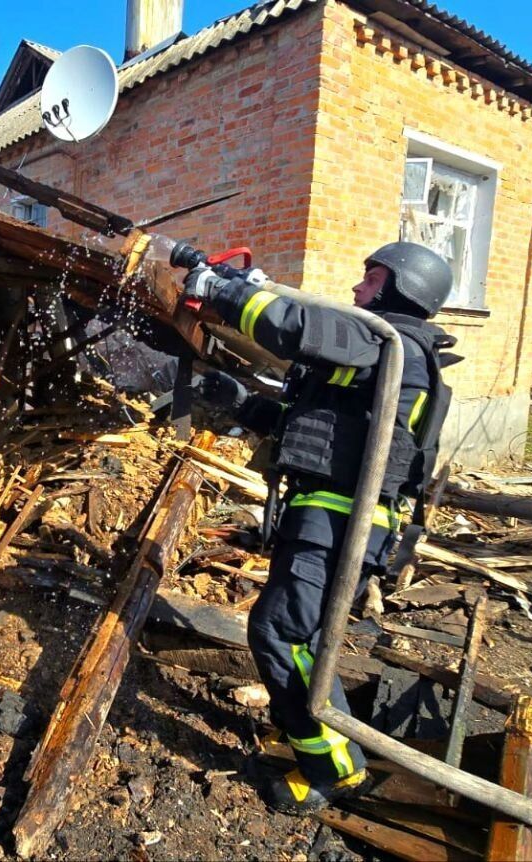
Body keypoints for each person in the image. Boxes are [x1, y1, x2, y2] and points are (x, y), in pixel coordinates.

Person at [189, 242, 459, 814]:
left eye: (371, 278)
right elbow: (310, 431)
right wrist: (238, 400)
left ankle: (333, 769)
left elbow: (296, 327)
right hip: (326, 515)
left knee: (281, 632)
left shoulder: (391, 342)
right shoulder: (377, 357)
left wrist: (226, 290)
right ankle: (310, 736)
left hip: (342, 522)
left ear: (400, 288)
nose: (358, 289)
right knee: (302, 637)